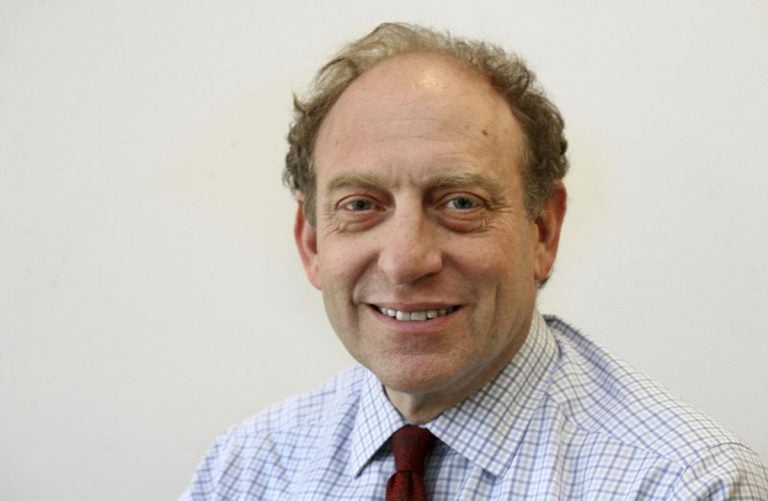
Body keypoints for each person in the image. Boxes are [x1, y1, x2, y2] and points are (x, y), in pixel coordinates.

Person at [183, 22, 768, 499]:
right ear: (312, 242)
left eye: (460, 203)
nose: (406, 260)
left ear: (543, 230)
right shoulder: (246, 472)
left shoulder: (685, 483)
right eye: (360, 205)